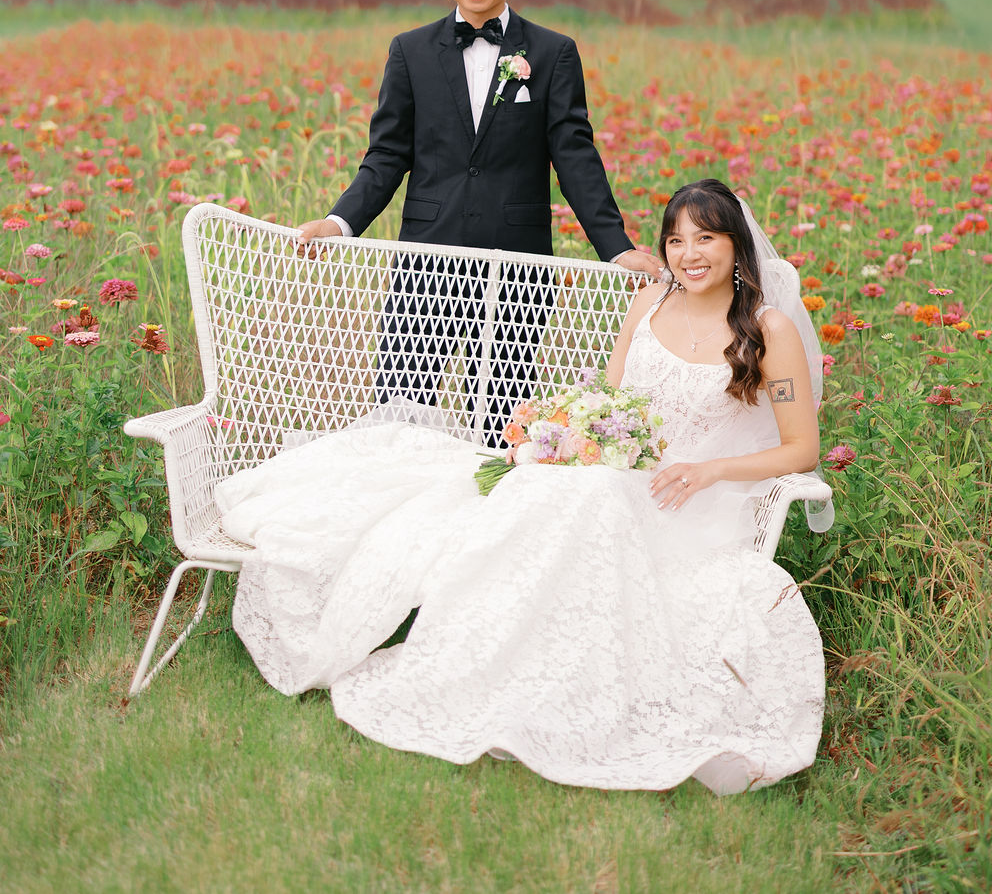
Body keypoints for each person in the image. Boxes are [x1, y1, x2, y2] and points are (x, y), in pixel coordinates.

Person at [216, 179, 825, 794]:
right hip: (615, 471)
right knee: (537, 488)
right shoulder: (649, 305)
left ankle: (547, 686)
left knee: (573, 499)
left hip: (691, 499)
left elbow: (801, 447)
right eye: (675, 241)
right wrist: (559, 434)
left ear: (735, 245)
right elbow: (608, 402)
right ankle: (482, 669)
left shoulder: (766, 330)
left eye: (705, 238)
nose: (689, 254)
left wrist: (708, 470)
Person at [294, 0, 661, 441]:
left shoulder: (553, 52)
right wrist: (339, 222)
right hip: (424, 262)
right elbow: (387, 155)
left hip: (516, 265)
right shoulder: (411, 51)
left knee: (506, 424)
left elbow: (574, 154)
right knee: (401, 416)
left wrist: (616, 246)